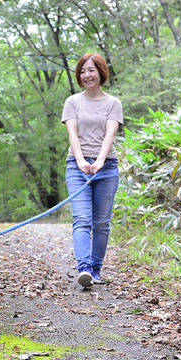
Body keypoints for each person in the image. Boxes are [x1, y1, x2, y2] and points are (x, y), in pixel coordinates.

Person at [61, 53, 123, 288]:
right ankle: (84, 268)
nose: (87, 75)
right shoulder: (73, 102)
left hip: (106, 167)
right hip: (76, 167)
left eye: (91, 70)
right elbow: (72, 134)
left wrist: (98, 162)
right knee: (82, 218)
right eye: (83, 71)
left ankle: (96, 268)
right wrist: (80, 161)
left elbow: (110, 135)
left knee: (101, 222)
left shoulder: (113, 103)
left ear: (101, 72)